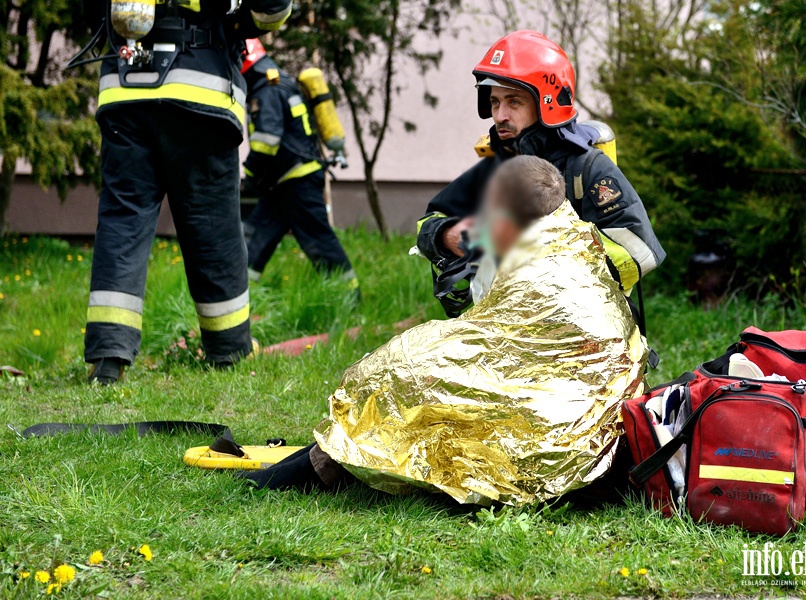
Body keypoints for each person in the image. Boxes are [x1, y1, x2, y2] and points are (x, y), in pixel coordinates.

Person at [239, 156, 647, 505]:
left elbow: (484, 331)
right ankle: (323, 463)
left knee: (396, 372)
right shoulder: (576, 237)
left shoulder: (514, 249)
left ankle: (323, 467)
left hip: (562, 422)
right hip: (601, 421)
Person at [84, 2, 292, 384]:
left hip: (124, 93)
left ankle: (107, 359)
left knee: (122, 223)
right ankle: (229, 350)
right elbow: (270, 12)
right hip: (201, 91)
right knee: (213, 227)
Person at [416, 30, 666, 317]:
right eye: (495, 102)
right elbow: (427, 222)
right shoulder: (496, 166)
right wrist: (448, 235)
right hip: (507, 327)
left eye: (514, 102)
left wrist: (542, 254)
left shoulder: (586, 168)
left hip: (588, 329)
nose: (500, 115)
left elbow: (639, 252)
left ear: (546, 103)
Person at [239, 40, 357, 289]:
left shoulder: (267, 89)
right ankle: (242, 294)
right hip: (283, 181)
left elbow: (267, 141)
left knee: (318, 241)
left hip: (297, 180)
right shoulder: (277, 82)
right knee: (255, 237)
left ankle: (348, 299)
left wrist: (250, 173)